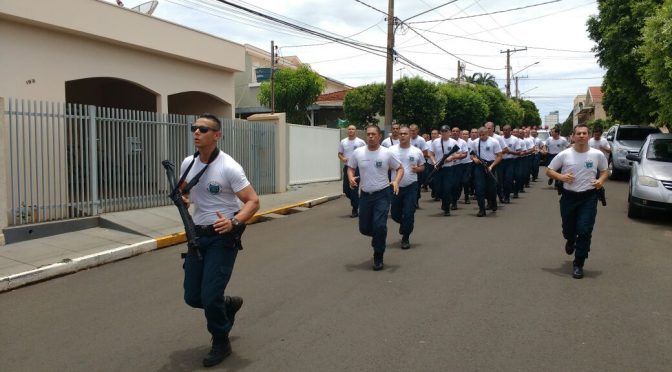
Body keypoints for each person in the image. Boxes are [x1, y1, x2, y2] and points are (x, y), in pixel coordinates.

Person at [179, 113, 260, 367]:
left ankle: (221, 339)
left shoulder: (229, 167)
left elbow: (253, 201)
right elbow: (183, 189)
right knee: (193, 297)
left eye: (203, 129)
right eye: (195, 128)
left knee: (210, 294)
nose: (196, 132)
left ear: (217, 135)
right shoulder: (188, 163)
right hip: (197, 235)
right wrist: (184, 198)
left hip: (223, 236)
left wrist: (234, 222)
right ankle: (227, 305)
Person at [546, 124, 607, 279]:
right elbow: (549, 170)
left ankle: (578, 263)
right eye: (578, 133)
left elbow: (605, 171)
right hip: (569, 197)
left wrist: (600, 181)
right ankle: (570, 239)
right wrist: (561, 177)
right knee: (568, 228)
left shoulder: (597, 154)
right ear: (573, 136)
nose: (581, 136)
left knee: (585, 230)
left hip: (588, 197)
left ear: (589, 135)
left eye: (584, 133)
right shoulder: (565, 154)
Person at [348, 125, 403, 271]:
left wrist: (396, 181)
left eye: (373, 134)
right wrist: (350, 178)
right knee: (364, 228)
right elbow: (350, 167)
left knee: (379, 225)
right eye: (368, 134)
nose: (370, 136)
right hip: (365, 195)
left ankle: (378, 255)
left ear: (379, 136)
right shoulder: (358, 153)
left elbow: (400, 168)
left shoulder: (387, 153)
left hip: (382, 194)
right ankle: (379, 236)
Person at [389, 126, 425, 249]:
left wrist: (418, 169)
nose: (402, 135)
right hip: (396, 186)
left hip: (411, 186)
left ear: (410, 135)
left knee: (409, 213)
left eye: (405, 133)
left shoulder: (416, 151)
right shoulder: (391, 150)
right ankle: (404, 225)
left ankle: (406, 237)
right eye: (400, 134)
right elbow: (385, 165)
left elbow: (422, 167)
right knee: (394, 214)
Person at [428, 125, 461, 216]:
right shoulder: (435, 142)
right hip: (438, 168)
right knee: (438, 189)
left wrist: (452, 157)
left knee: (447, 188)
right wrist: (434, 162)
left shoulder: (453, 142)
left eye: (446, 131)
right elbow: (430, 153)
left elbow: (460, 154)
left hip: (449, 168)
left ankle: (447, 208)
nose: (444, 133)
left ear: (449, 132)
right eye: (442, 131)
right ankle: (444, 202)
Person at [470, 127, 502, 217]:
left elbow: (499, 156)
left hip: (491, 165)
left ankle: (493, 202)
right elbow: (471, 155)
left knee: (491, 188)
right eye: (479, 135)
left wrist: (491, 166)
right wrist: (474, 159)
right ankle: (481, 209)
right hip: (479, 166)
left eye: (483, 135)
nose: (481, 137)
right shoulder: (475, 142)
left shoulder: (494, 142)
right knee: (479, 188)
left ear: (487, 133)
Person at [338, 125, 366, 217]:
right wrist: (343, 159)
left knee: (354, 188)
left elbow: (366, 153)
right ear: (347, 131)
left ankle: (355, 209)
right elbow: (339, 154)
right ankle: (357, 201)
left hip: (357, 168)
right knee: (346, 190)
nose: (351, 130)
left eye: (353, 129)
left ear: (355, 131)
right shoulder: (343, 142)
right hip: (347, 167)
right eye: (349, 129)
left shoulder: (360, 142)